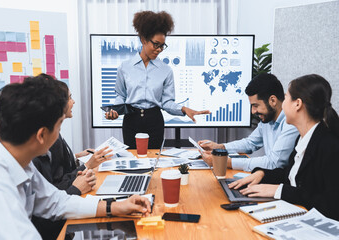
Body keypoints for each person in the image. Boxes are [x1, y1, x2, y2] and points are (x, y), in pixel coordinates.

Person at [0, 74, 151, 239]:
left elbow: (56, 202)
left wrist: (116, 207)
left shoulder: (19, 161)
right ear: (41, 135)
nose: (59, 134)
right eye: (59, 125)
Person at [229, 74, 339, 221]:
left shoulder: (329, 146)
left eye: (286, 97)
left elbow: (331, 205)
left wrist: (279, 190)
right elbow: (289, 176)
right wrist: (262, 174)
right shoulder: (303, 140)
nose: (283, 103)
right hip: (295, 215)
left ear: (297, 104)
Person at [105, 11, 209, 149]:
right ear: (143, 40)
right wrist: (114, 111)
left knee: (155, 160)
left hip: (154, 121)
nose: (159, 49)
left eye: (162, 46)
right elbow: (121, 95)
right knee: (132, 160)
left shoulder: (166, 70)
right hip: (131, 120)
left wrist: (183, 109)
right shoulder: (125, 67)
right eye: (156, 44)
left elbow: (166, 102)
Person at [31, 79, 113, 240]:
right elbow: (51, 200)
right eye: (69, 97)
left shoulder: (50, 138)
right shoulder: (41, 150)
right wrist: (83, 173)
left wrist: (76, 158)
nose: (73, 101)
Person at [199, 73, 299, 171]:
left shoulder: (291, 124)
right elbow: (250, 143)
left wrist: (223, 162)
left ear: (272, 100)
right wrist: (220, 147)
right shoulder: (267, 120)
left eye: (255, 105)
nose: (253, 111)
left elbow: (274, 163)